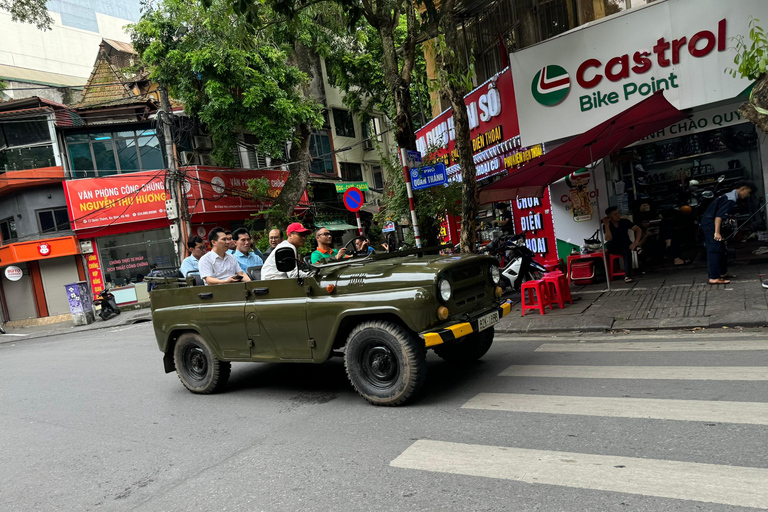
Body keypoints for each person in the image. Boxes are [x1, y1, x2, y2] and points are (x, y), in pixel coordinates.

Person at [700, 181, 755, 285]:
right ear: (743, 188)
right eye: (748, 192)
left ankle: (722, 273)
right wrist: (717, 232)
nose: (748, 195)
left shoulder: (730, 197)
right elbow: (718, 216)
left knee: (722, 248)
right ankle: (713, 277)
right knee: (714, 249)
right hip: (710, 224)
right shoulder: (730, 199)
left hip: (713, 223)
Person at [603, 206, 643, 283]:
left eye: (618, 213)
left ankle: (627, 275)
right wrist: (607, 225)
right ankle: (636, 248)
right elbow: (608, 239)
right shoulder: (607, 225)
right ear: (609, 216)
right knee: (627, 248)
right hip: (614, 246)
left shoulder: (624, 221)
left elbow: (638, 230)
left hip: (625, 244)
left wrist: (636, 242)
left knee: (627, 251)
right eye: (615, 214)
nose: (618, 215)